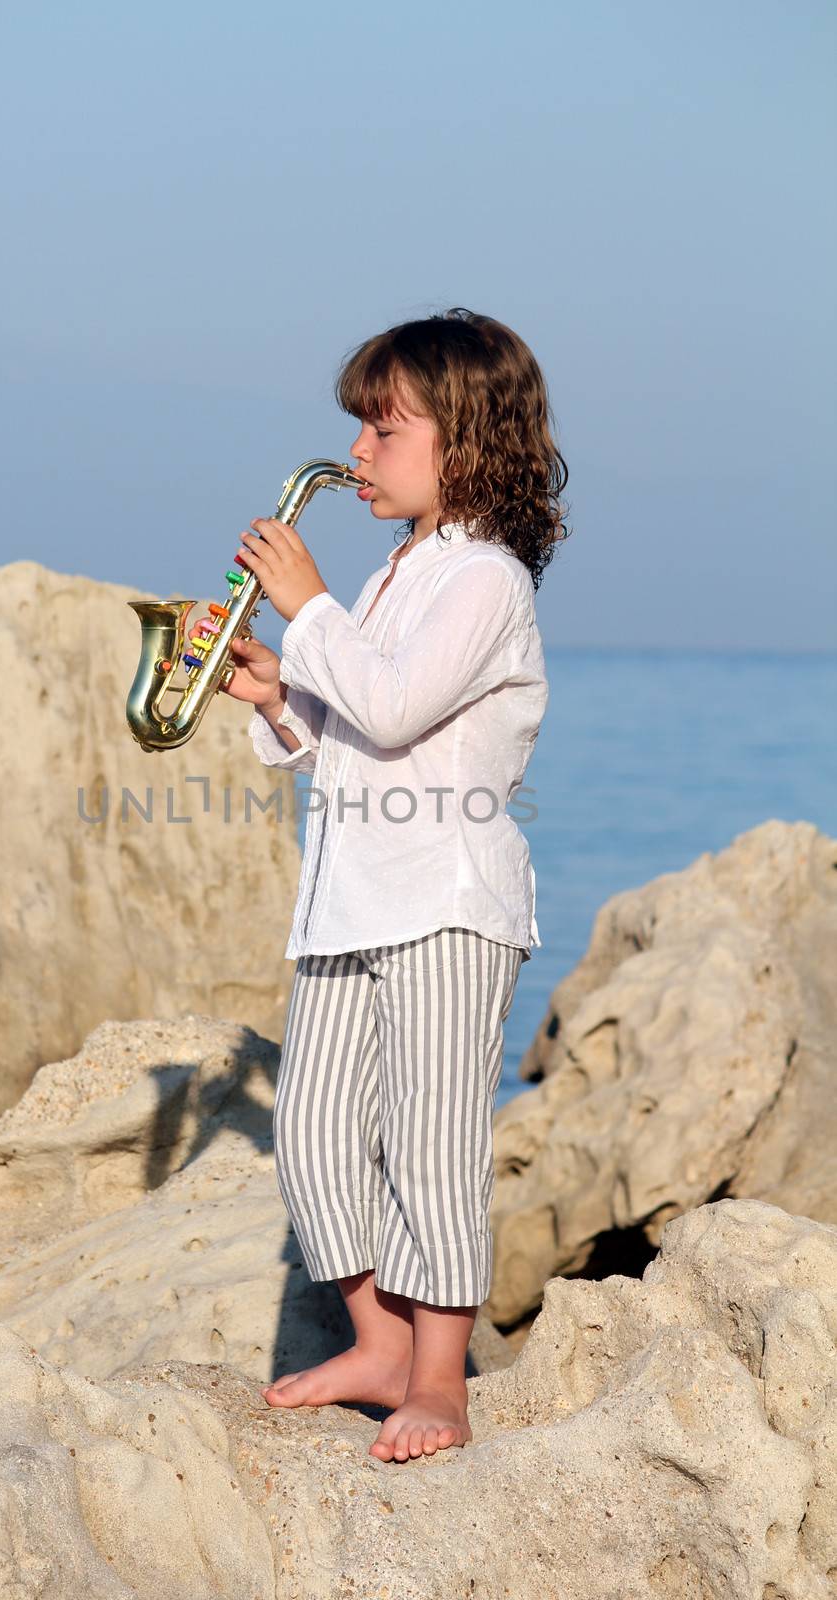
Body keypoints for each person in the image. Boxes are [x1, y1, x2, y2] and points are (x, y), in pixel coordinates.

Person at [221, 308, 568, 1465]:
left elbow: (396, 703)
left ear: (460, 440)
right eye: (357, 431)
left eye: (381, 429)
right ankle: (374, 1338)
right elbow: (353, 732)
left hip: (449, 904)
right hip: (353, 900)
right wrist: (277, 696)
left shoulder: (484, 580)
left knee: (429, 1142)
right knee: (313, 1139)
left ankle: (439, 1376)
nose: (356, 453)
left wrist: (305, 602)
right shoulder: (393, 575)